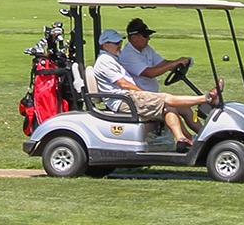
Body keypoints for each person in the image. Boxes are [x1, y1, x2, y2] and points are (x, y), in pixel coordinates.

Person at [89, 29, 217, 152]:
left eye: (120, 42)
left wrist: (176, 64)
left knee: (181, 108)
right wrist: (144, 93)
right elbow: (123, 84)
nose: (120, 45)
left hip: (130, 97)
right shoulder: (105, 61)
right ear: (105, 45)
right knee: (167, 100)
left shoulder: (113, 59)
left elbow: (161, 64)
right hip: (124, 100)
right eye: (116, 43)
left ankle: (199, 137)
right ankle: (205, 99)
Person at [120, 18, 201, 132]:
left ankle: (204, 136)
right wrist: (175, 63)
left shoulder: (146, 49)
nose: (149, 39)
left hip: (153, 97)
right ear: (134, 37)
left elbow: (163, 63)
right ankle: (187, 140)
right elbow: (150, 73)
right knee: (171, 109)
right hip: (141, 99)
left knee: (185, 108)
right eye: (145, 36)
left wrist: (179, 63)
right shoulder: (128, 55)